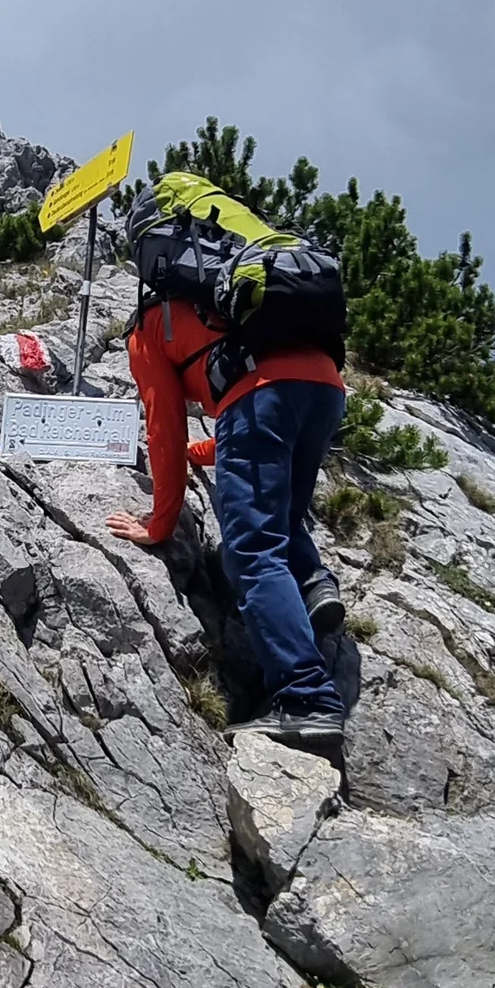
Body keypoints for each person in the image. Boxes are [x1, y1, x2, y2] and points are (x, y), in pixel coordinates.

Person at [104, 279, 349, 740]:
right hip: (325, 386)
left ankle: (307, 698)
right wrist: (205, 451)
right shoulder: (234, 303)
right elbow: (255, 424)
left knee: (253, 554)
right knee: (280, 516)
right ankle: (314, 584)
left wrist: (160, 524)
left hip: (262, 396)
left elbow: (164, 432)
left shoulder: (148, 330)